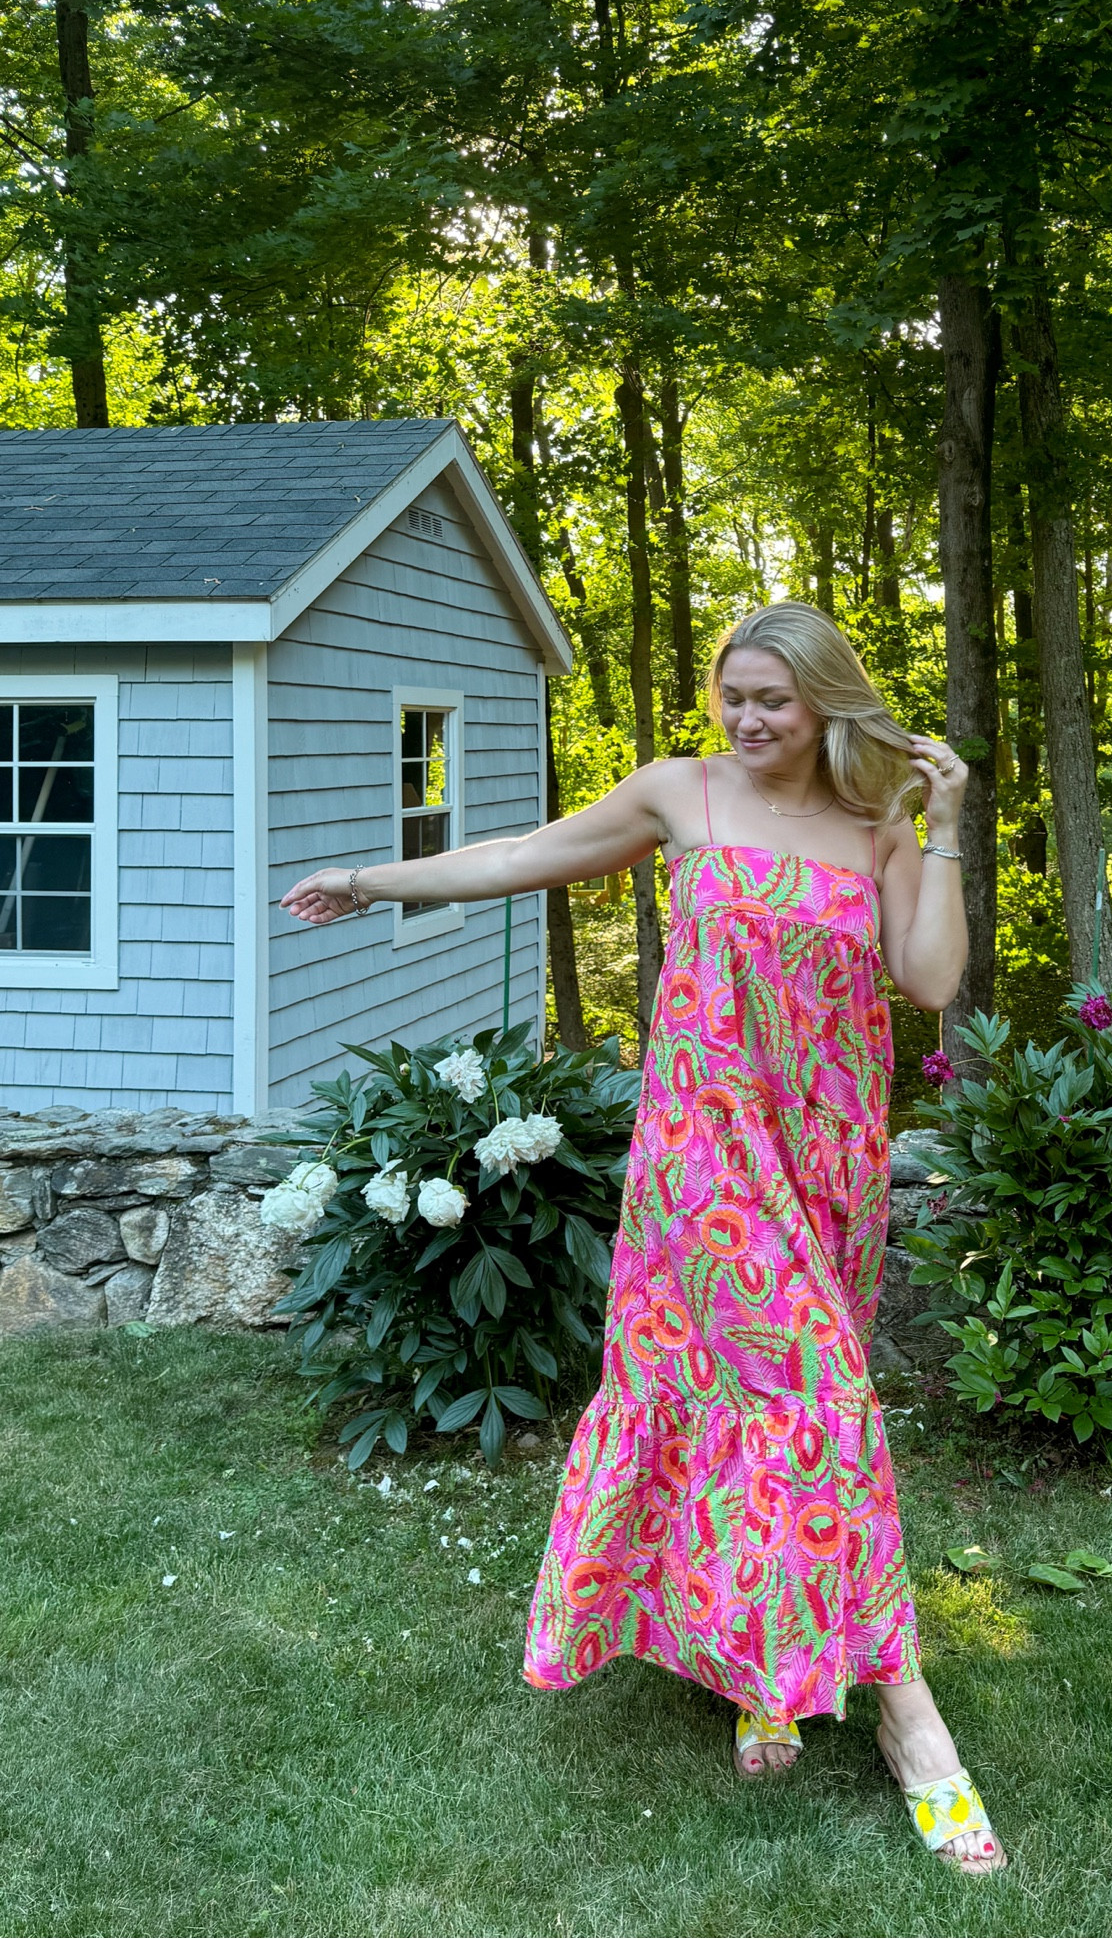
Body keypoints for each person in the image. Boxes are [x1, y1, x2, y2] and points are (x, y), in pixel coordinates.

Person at [280, 601, 1006, 1875]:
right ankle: (912, 1722)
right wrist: (371, 875)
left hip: (830, 1158)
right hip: (705, 1158)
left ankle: (767, 1676)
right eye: (734, 695)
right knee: (816, 1401)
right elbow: (517, 854)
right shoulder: (682, 793)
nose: (747, 719)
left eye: (771, 700)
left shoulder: (878, 823)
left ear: (826, 701)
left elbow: (933, 984)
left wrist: (942, 835)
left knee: (760, 1406)